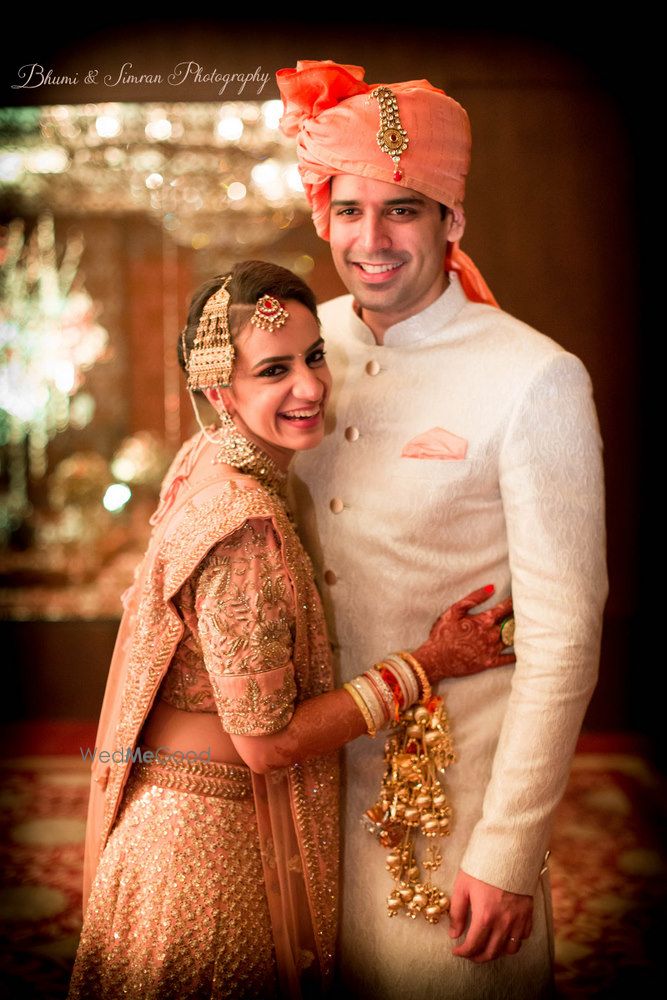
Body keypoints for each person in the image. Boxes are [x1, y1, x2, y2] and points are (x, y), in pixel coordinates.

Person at [67, 260, 513, 1000]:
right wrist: (427, 663)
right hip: (207, 866)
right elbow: (266, 742)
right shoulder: (242, 524)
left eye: (312, 357)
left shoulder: (203, 461)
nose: (307, 386)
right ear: (220, 391)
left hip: (170, 832)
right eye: (273, 370)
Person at [276, 60, 608, 999]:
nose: (370, 239)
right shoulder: (303, 350)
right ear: (321, 218)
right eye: (348, 210)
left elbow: (563, 641)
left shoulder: (533, 378)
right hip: (303, 795)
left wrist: (506, 849)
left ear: (451, 221)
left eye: (403, 210)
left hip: (449, 808)